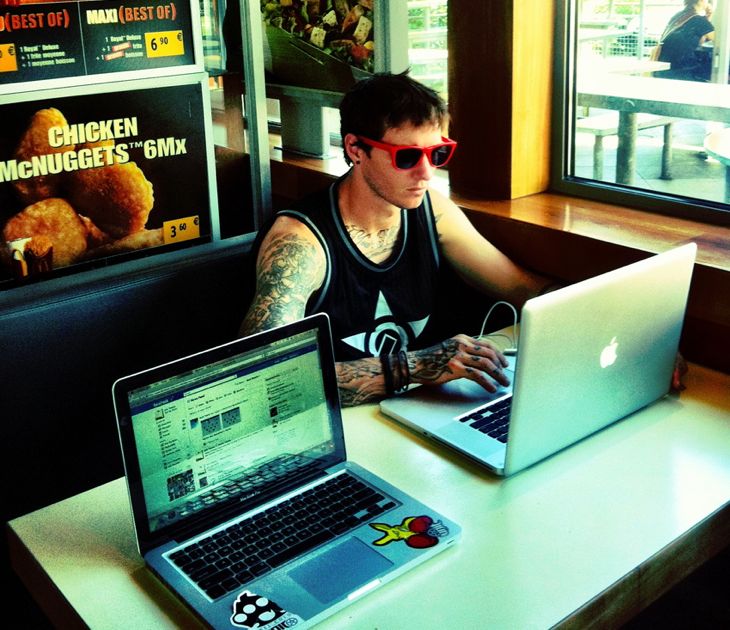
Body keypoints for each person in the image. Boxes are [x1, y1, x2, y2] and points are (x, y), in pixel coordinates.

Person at [239, 71, 559, 406]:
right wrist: (415, 367)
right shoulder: (299, 242)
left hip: (418, 409)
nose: (427, 173)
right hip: (343, 425)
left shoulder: (431, 209)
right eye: (406, 157)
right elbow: (261, 376)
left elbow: (519, 286)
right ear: (355, 149)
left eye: (437, 153)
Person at [655, 0, 715, 82]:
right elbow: (720, 42)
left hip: (663, 69)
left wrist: (707, 19)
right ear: (701, 1)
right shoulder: (699, 20)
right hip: (681, 71)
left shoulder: (677, 17)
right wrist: (707, 20)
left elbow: (699, 41)